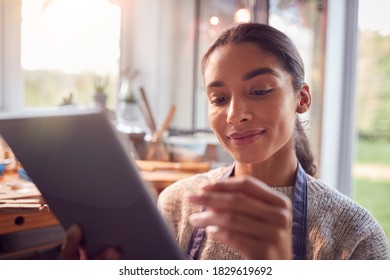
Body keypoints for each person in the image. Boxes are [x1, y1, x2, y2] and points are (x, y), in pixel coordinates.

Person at [62, 23, 389, 260]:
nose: (235, 114)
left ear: (301, 98)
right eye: (218, 98)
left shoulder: (355, 235)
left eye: (260, 91)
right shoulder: (178, 204)